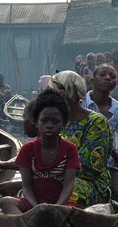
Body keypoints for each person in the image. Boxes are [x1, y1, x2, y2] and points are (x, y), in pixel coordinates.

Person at [0, 89, 81, 214]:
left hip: (61, 205)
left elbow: (68, 185)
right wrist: (36, 208)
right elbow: (26, 187)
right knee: (6, 202)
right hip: (33, 204)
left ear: (63, 123)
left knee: (73, 212)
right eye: (44, 120)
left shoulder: (70, 149)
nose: (49, 125)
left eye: (55, 121)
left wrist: (56, 207)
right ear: (36, 122)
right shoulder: (28, 149)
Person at [48, 71, 113, 207]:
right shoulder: (55, 121)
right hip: (53, 177)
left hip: (89, 184)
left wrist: (48, 173)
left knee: (56, 188)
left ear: (66, 95)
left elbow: (89, 169)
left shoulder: (96, 122)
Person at [82, 63, 118, 207]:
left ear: (115, 84)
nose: (107, 78)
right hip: (80, 165)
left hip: (108, 166)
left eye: (112, 76)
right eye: (102, 75)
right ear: (93, 79)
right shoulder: (80, 102)